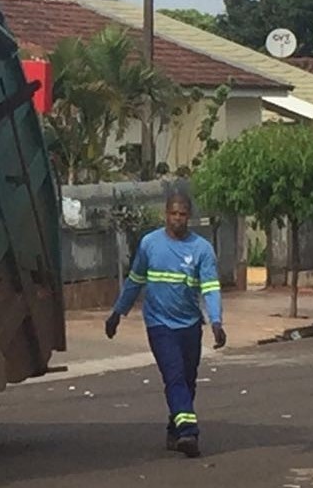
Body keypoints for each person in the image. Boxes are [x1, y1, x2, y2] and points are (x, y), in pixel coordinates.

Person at [105, 192, 226, 459]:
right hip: (159, 324)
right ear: (166, 214)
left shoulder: (202, 249)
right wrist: (118, 313)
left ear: (189, 217)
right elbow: (135, 281)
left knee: (188, 380)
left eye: (182, 214)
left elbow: (210, 288)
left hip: (190, 324)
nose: (177, 219)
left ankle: (175, 429)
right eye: (173, 213)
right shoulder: (150, 244)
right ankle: (189, 432)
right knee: (174, 376)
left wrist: (216, 321)